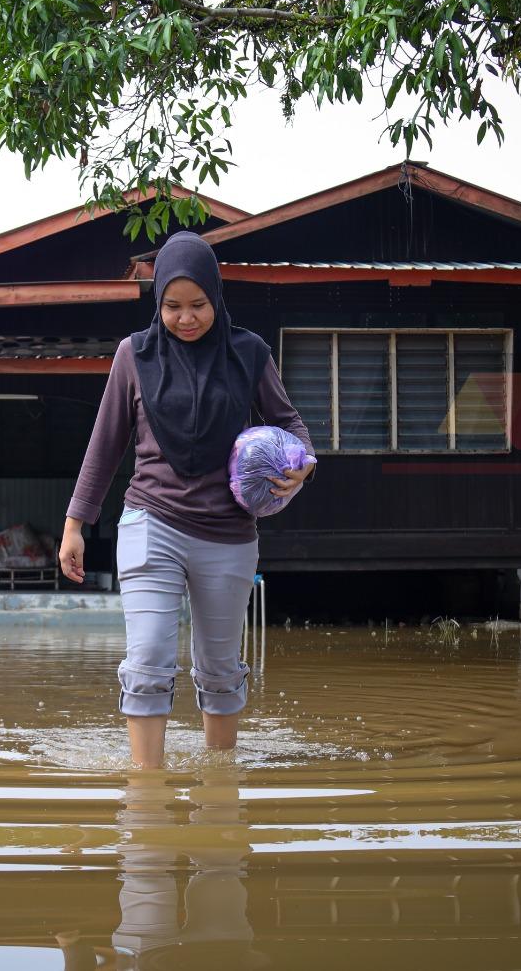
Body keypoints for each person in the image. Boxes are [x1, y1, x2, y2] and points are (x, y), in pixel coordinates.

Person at [60, 231, 315, 769]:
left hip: (228, 532)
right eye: (172, 306)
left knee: (221, 668)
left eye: (198, 304)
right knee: (149, 655)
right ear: (158, 303)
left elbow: (287, 420)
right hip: (152, 519)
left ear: (216, 298)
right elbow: (105, 442)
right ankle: (145, 791)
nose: (186, 318)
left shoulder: (248, 352)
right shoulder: (135, 354)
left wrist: (303, 461)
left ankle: (220, 790)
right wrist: (75, 523)